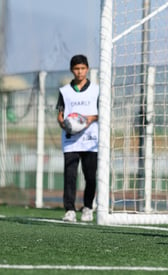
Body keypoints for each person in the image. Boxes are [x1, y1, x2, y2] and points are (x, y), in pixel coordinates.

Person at [56, 54, 99, 222]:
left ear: (87, 69)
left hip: (90, 140)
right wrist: (64, 123)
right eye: (76, 69)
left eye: (82, 68)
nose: (79, 72)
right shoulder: (64, 91)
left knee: (90, 176)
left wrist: (89, 119)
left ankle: (88, 207)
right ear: (71, 70)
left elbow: (101, 112)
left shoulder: (96, 90)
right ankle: (70, 210)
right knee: (70, 176)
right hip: (71, 140)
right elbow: (60, 114)